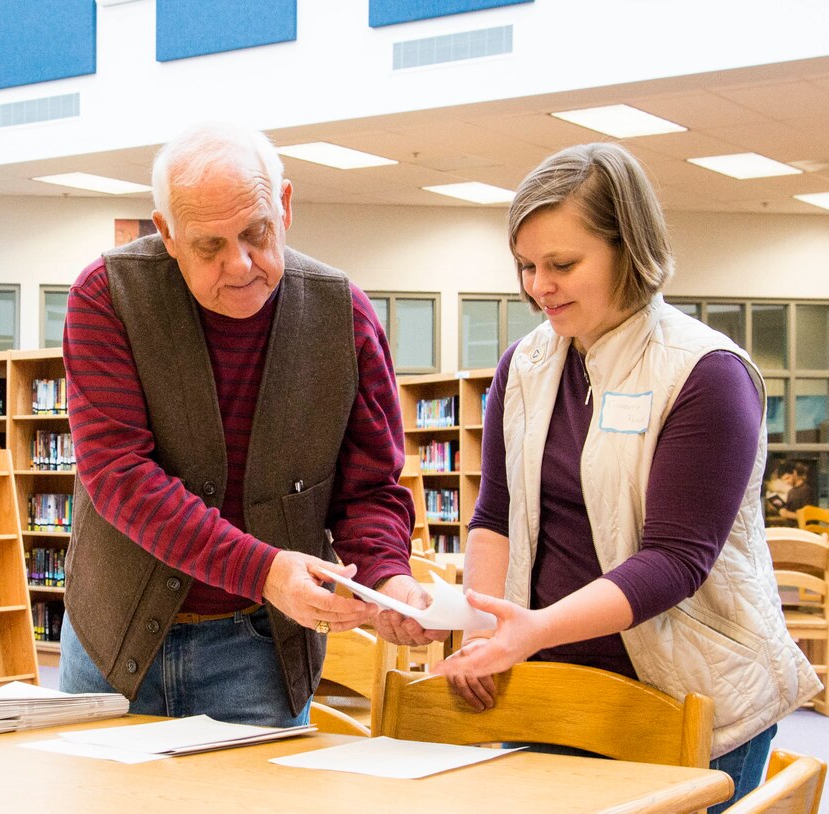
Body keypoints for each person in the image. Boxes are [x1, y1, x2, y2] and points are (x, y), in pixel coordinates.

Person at [433, 142, 822, 811]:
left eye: (562, 264)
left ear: (628, 249)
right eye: (526, 265)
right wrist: (482, 635)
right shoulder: (521, 369)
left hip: (690, 694)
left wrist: (533, 629)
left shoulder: (707, 373)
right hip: (550, 690)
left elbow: (675, 561)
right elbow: (494, 517)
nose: (538, 286)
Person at [59, 122, 442, 727]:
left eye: (256, 233)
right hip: (114, 641)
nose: (240, 265)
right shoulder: (107, 298)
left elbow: (368, 490)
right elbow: (118, 474)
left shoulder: (345, 318)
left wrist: (387, 576)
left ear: (284, 205)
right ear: (167, 234)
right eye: (208, 246)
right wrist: (264, 571)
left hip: (260, 653)